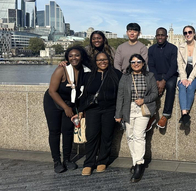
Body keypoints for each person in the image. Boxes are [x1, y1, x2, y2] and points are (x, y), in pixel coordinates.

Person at [43, 46, 90, 173]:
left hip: (71, 103)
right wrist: (65, 108)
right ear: (67, 58)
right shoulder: (61, 69)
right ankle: (57, 161)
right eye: (70, 56)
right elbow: (52, 91)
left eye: (77, 55)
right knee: (54, 132)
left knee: (68, 131)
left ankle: (67, 159)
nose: (74, 58)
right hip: (54, 102)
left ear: (82, 56)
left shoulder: (85, 71)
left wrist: (78, 109)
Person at [76, 52, 122, 176]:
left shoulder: (116, 74)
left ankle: (102, 161)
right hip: (93, 109)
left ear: (109, 60)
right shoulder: (88, 75)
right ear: (95, 62)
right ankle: (89, 163)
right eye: (99, 60)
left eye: (105, 59)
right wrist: (80, 110)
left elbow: (120, 94)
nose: (102, 62)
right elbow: (83, 94)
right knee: (91, 136)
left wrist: (120, 111)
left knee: (107, 136)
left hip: (110, 109)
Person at [115, 54, 158, 183]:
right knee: (130, 136)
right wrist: (118, 114)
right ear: (130, 64)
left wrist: (144, 99)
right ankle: (135, 161)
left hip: (143, 110)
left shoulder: (149, 76)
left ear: (143, 63)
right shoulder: (126, 77)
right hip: (128, 110)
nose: (136, 64)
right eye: (133, 62)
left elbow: (155, 94)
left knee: (139, 135)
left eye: (139, 61)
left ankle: (139, 164)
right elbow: (120, 96)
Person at [148, 27, 178, 128]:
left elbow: (174, 66)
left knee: (170, 85)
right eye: (158, 35)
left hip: (169, 75)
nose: (160, 37)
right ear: (156, 36)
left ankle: (165, 115)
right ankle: (151, 115)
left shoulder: (173, 48)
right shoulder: (151, 49)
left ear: (166, 36)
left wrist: (164, 80)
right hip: (156, 74)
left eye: (162, 35)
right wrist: (156, 80)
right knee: (150, 87)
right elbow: (151, 66)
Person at [177, 25, 196, 125]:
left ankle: (185, 114)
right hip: (184, 73)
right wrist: (184, 78)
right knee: (182, 86)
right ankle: (185, 114)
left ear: (194, 33)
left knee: (191, 87)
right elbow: (179, 63)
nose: (188, 34)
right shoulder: (180, 46)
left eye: (190, 32)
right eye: (185, 33)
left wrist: (191, 78)